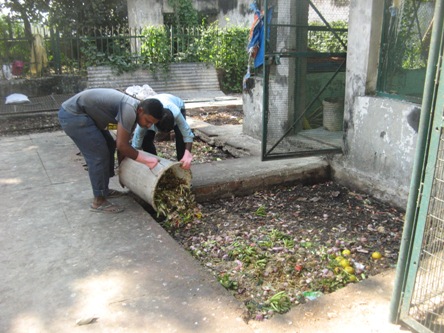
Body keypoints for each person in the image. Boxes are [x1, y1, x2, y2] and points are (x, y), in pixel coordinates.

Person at [58, 88, 164, 214]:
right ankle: (99, 201)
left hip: (87, 116)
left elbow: (121, 146)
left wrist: (122, 173)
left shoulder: (135, 112)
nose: (148, 126)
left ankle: (104, 190)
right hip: (74, 115)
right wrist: (146, 160)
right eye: (147, 121)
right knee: (98, 156)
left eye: (151, 124)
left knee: (109, 145)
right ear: (141, 111)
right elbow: (122, 146)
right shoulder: (129, 110)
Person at [131, 93, 194, 169]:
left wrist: (187, 153)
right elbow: (136, 143)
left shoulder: (176, 113)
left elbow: (187, 134)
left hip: (177, 103)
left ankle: (182, 165)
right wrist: (137, 159)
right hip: (153, 105)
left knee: (181, 137)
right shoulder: (147, 118)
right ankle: (155, 165)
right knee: (146, 138)